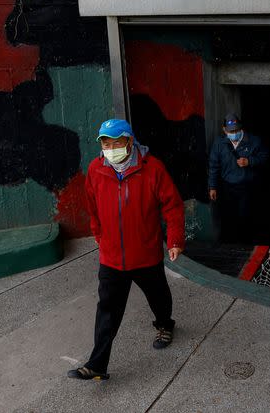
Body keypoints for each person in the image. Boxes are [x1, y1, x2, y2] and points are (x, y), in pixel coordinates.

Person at [68, 118, 185, 381]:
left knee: (159, 298)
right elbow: (93, 208)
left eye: (116, 142)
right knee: (107, 309)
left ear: (130, 142)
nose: (110, 148)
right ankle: (97, 364)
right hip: (111, 259)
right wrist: (99, 235)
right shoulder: (96, 169)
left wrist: (175, 241)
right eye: (105, 143)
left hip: (145, 254)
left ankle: (165, 325)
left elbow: (173, 206)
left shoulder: (152, 169)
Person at [208, 113, 269, 243]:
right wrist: (212, 186)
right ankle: (230, 246)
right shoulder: (219, 143)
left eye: (236, 130)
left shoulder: (254, 141)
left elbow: (264, 158)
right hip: (227, 188)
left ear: (241, 128)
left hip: (248, 188)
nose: (234, 133)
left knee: (246, 218)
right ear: (224, 130)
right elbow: (214, 166)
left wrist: (249, 161)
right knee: (228, 219)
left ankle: (247, 245)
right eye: (231, 131)